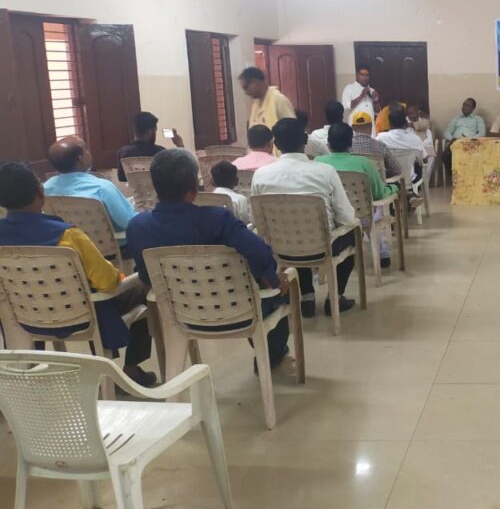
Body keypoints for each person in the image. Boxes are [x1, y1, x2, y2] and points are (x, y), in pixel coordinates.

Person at [126, 150, 291, 372]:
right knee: (279, 288)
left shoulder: (137, 227)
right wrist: (273, 278)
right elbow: (259, 254)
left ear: (155, 186)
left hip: (179, 315)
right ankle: (271, 354)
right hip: (238, 311)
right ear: (194, 186)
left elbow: (147, 278)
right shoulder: (218, 219)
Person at [0, 160, 154, 385]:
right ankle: (131, 367)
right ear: (40, 193)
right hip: (82, 316)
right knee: (143, 285)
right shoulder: (68, 235)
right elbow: (107, 282)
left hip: (25, 318)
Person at [251, 118, 359, 318]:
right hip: (323, 246)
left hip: (280, 248)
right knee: (353, 234)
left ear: (276, 144)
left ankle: (307, 296)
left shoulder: (260, 175)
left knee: (293, 233)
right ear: (305, 140)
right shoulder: (325, 172)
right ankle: (335, 298)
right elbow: (346, 217)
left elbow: (257, 220)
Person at [315, 123, 398, 268]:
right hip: (362, 219)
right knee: (375, 209)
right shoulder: (363, 163)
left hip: (330, 219)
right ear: (350, 143)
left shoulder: (318, 162)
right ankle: (382, 253)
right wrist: (393, 188)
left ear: (328, 143)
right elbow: (379, 194)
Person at [44, 136, 136, 233]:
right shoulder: (102, 188)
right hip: (109, 242)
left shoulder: (46, 188)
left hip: (69, 241)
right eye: (86, 149)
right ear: (81, 159)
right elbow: (128, 222)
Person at [116, 111, 182, 181]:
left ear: (135, 130)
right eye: (155, 130)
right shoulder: (161, 153)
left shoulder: (122, 152)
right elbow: (179, 172)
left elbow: (121, 178)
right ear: (150, 131)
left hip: (133, 188)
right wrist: (180, 145)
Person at [350, 107, 403, 179]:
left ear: (352, 127)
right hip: (378, 185)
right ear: (371, 126)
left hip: (355, 185)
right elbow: (397, 170)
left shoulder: (346, 147)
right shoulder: (381, 146)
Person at [443, 97, 486, 172]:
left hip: (470, 143)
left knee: (472, 158)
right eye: (464, 104)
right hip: (455, 142)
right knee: (445, 156)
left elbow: (482, 133)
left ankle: (465, 176)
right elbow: (447, 132)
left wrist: (470, 139)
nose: (464, 107)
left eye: (467, 105)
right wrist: (452, 139)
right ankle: (453, 175)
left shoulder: (477, 119)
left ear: (473, 109)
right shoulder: (456, 119)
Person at [340, 64, 380, 133]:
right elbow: (345, 107)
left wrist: (376, 101)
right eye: (362, 74)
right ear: (357, 75)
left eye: (367, 75)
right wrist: (361, 96)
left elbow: (377, 112)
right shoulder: (349, 88)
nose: (365, 77)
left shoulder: (372, 90)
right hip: (355, 129)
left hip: (370, 130)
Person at [210, 160, 252, 224]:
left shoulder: (207, 198)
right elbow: (244, 223)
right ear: (236, 181)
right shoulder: (240, 199)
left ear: (213, 181)